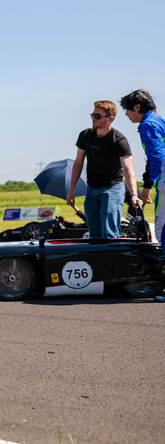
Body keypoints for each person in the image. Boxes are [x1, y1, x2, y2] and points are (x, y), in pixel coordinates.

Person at [66, 100, 138, 239]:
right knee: (95, 236)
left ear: (110, 118)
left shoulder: (119, 140)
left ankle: (113, 260)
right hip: (92, 189)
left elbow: (129, 170)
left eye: (97, 116)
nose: (93, 119)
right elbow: (78, 163)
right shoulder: (85, 135)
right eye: (92, 115)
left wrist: (134, 194)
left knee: (109, 234)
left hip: (113, 189)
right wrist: (71, 189)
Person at [119, 90, 165, 302]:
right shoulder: (158, 120)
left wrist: (147, 186)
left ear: (137, 107)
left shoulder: (147, 124)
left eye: (127, 109)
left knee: (162, 230)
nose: (127, 114)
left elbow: (156, 156)